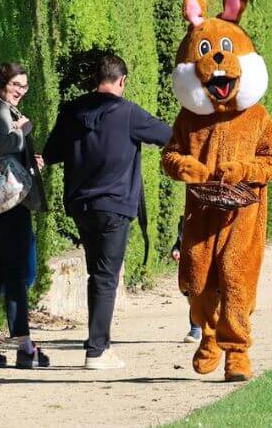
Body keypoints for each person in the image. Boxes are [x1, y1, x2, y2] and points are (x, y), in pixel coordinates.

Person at [43, 54, 171, 370]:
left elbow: (52, 153)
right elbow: (169, 136)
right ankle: (98, 350)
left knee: (96, 273)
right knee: (105, 277)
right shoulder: (127, 113)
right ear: (122, 81)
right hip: (114, 207)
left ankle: (99, 346)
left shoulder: (73, 111)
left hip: (80, 206)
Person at [0, 62, 50, 369]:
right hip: (8, 204)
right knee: (17, 273)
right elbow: (0, 144)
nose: (20, 91)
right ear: (2, 83)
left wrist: (30, 160)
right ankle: (24, 346)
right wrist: (24, 131)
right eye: (16, 85)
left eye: (24, 87)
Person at [170, 216, 202, 344]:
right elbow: (179, 242)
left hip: (207, 267)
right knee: (194, 298)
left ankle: (209, 329)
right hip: (191, 270)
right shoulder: (186, 220)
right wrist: (176, 250)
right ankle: (195, 330)